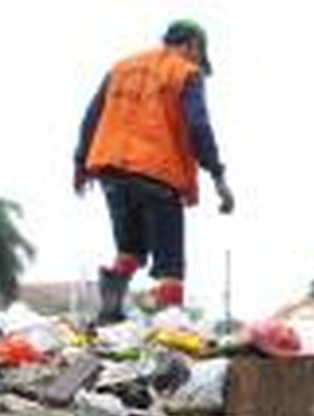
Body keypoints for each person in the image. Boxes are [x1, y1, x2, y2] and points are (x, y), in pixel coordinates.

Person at [74, 20, 235, 323]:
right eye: (198, 55)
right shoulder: (185, 72)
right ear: (192, 46)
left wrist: (80, 164)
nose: (197, 62)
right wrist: (218, 176)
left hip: (111, 171)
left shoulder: (120, 68)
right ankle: (168, 328)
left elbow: (91, 117)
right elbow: (198, 126)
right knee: (171, 264)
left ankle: (109, 311)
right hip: (158, 173)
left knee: (129, 251)